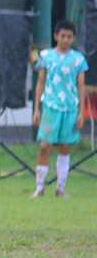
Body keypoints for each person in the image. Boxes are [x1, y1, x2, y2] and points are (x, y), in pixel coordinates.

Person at [31, 20, 89, 198]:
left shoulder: (78, 59)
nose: (65, 39)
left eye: (69, 37)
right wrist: (37, 109)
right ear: (56, 36)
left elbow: (80, 85)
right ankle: (39, 187)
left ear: (73, 38)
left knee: (64, 147)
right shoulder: (46, 56)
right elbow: (40, 82)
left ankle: (60, 188)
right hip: (50, 106)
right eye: (62, 36)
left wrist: (81, 111)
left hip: (70, 108)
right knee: (45, 145)